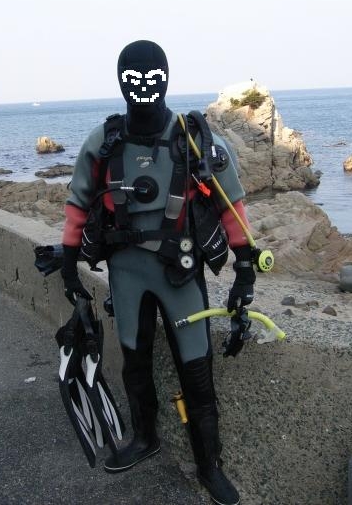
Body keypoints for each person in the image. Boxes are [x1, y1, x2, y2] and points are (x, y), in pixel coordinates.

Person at [60, 40, 257, 505]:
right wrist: (68, 266)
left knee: (197, 371)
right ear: (120, 81)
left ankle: (209, 466)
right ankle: (145, 439)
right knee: (135, 363)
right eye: (134, 78)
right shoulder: (104, 141)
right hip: (126, 274)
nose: (144, 86)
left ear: (166, 79)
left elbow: (232, 206)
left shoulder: (194, 139)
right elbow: (77, 203)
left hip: (179, 274)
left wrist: (246, 269)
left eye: (152, 78)